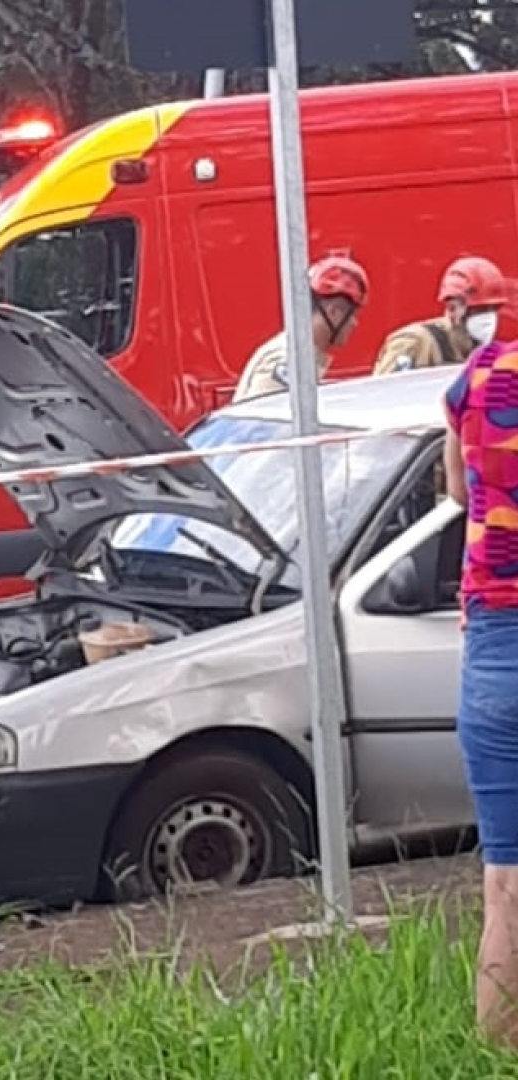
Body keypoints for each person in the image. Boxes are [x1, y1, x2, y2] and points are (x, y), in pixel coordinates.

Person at [444, 338, 518, 1048]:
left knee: (506, 881)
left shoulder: (481, 374)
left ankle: (498, 1059)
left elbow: (458, 492)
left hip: (494, 643)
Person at [233, 254, 370, 403]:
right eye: (352, 315)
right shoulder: (289, 359)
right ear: (334, 311)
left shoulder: (302, 354)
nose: (354, 323)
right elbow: (266, 420)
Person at [374, 255, 507, 375]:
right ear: (452, 307)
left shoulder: (486, 355)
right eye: (479, 310)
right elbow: (380, 395)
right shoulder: (414, 343)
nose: (488, 318)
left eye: (494, 309)